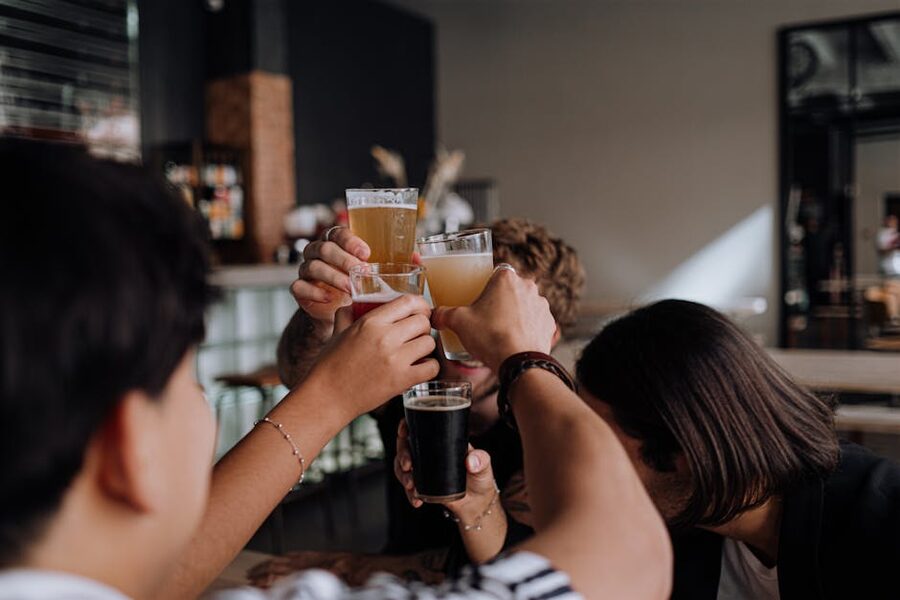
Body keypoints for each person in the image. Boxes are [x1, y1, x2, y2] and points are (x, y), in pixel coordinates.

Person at [0, 138, 671, 600]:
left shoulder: (569, 429)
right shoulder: (417, 379)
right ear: (129, 447)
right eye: (192, 385)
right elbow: (627, 558)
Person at [428, 298, 900, 599]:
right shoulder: (690, 519)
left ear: (676, 451)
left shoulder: (881, 528)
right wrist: (479, 505)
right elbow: (561, 588)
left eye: (599, 435)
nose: (589, 459)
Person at [273, 218, 584, 579]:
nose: (467, 329)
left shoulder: (555, 425)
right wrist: (325, 321)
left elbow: (528, 566)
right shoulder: (416, 375)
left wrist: (362, 566)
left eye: (492, 313)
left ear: (546, 333)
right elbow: (295, 373)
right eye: (459, 300)